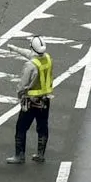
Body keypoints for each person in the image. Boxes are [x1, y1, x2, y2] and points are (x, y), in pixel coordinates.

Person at [4, 36, 54, 164]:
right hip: (45, 100)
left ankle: (19, 155)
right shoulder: (47, 58)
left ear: (32, 47)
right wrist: (15, 49)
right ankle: (40, 154)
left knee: (21, 127)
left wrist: (20, 95)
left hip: (30, 101)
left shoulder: (30, 65)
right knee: (42, 127)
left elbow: (22, 85)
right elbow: (30, 54)